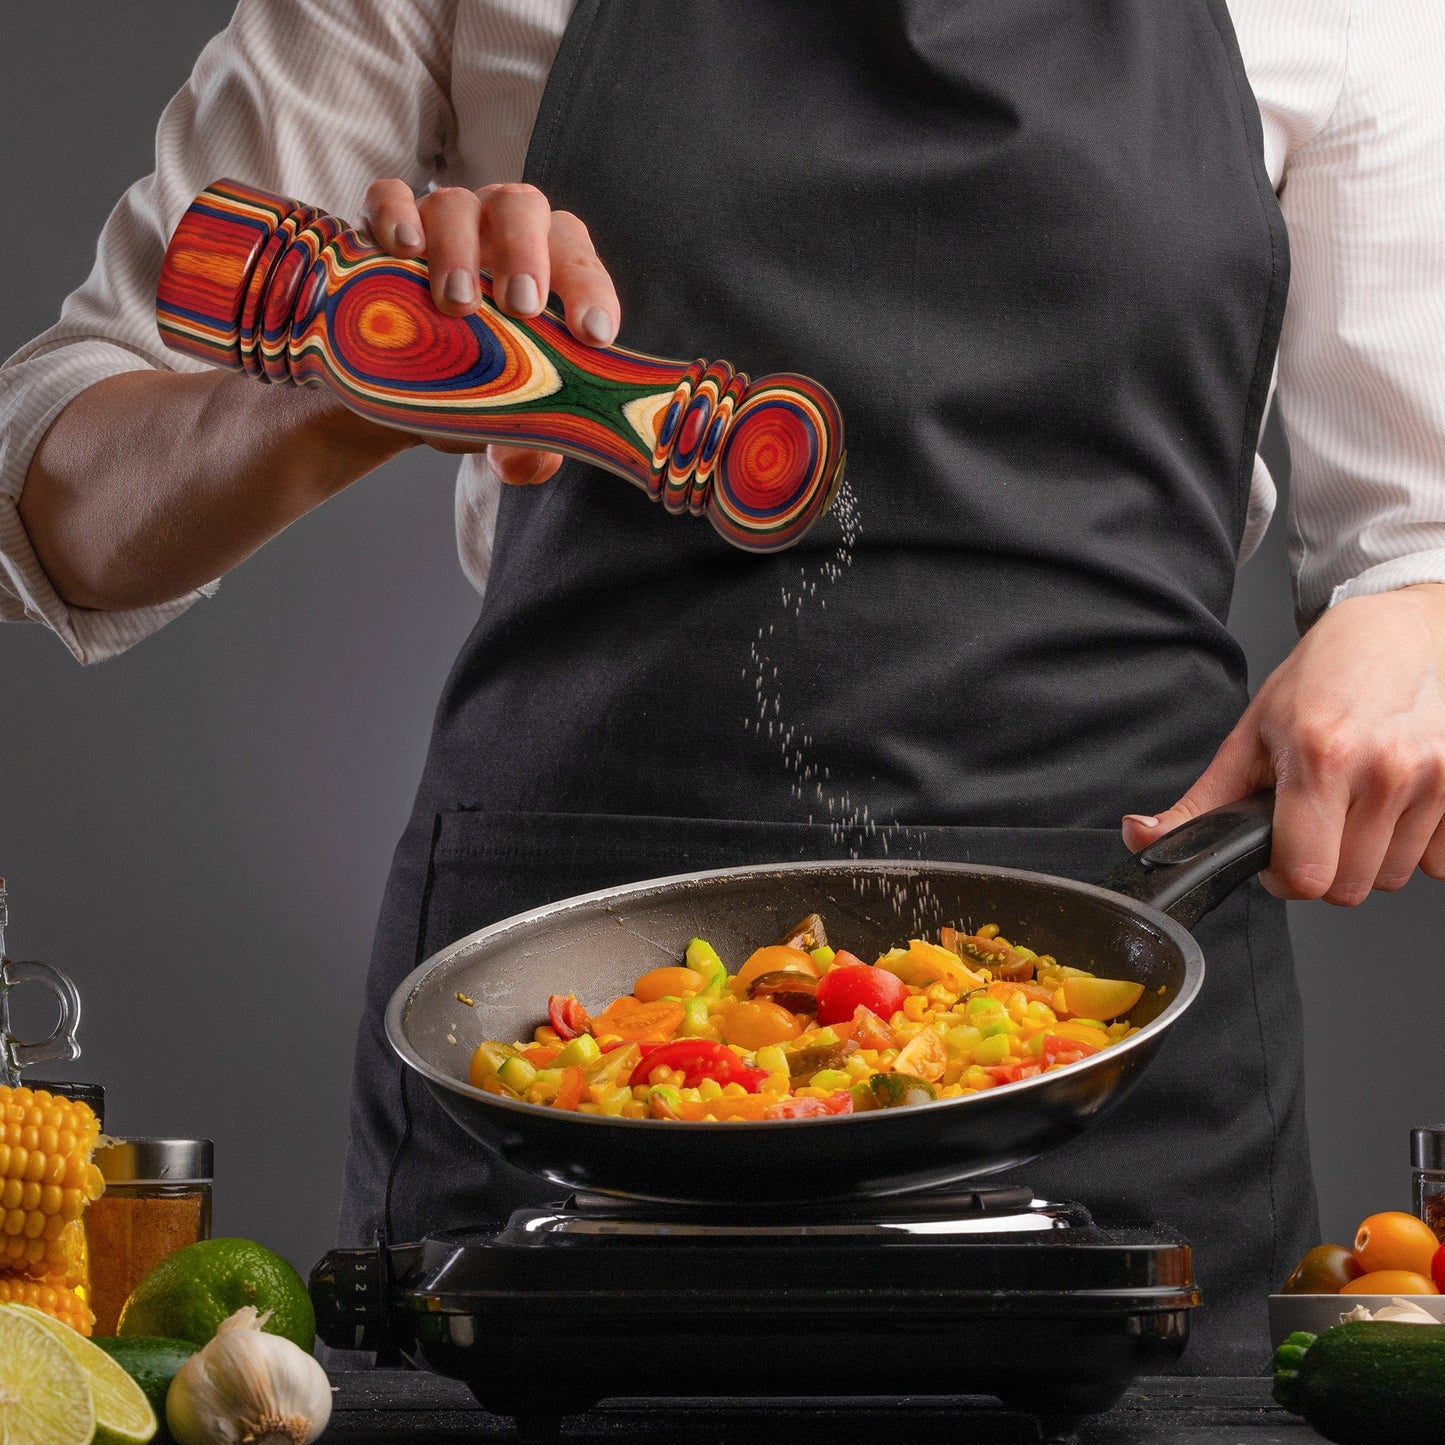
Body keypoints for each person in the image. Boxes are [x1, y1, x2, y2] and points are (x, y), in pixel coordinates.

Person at [3, 0, 1444, 1371]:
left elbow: (1419, 548)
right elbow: (61, 495)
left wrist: (1418, 621)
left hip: (1112, 1025)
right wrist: (329, 395)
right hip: (557, 1052)